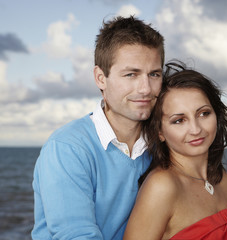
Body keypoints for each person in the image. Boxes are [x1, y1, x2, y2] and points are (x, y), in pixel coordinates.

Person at [32, 16, 164, 239]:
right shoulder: (67, 148)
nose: (146, 88)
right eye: (131, 74)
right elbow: (77, 235)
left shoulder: (160, 142)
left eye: (154, 74)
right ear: (101, 78)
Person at [124, 61, 227, 240]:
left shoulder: (224, 181)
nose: (196, 129)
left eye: (204, 114)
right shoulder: (162, 186)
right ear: (160, 132)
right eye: (179, 120)